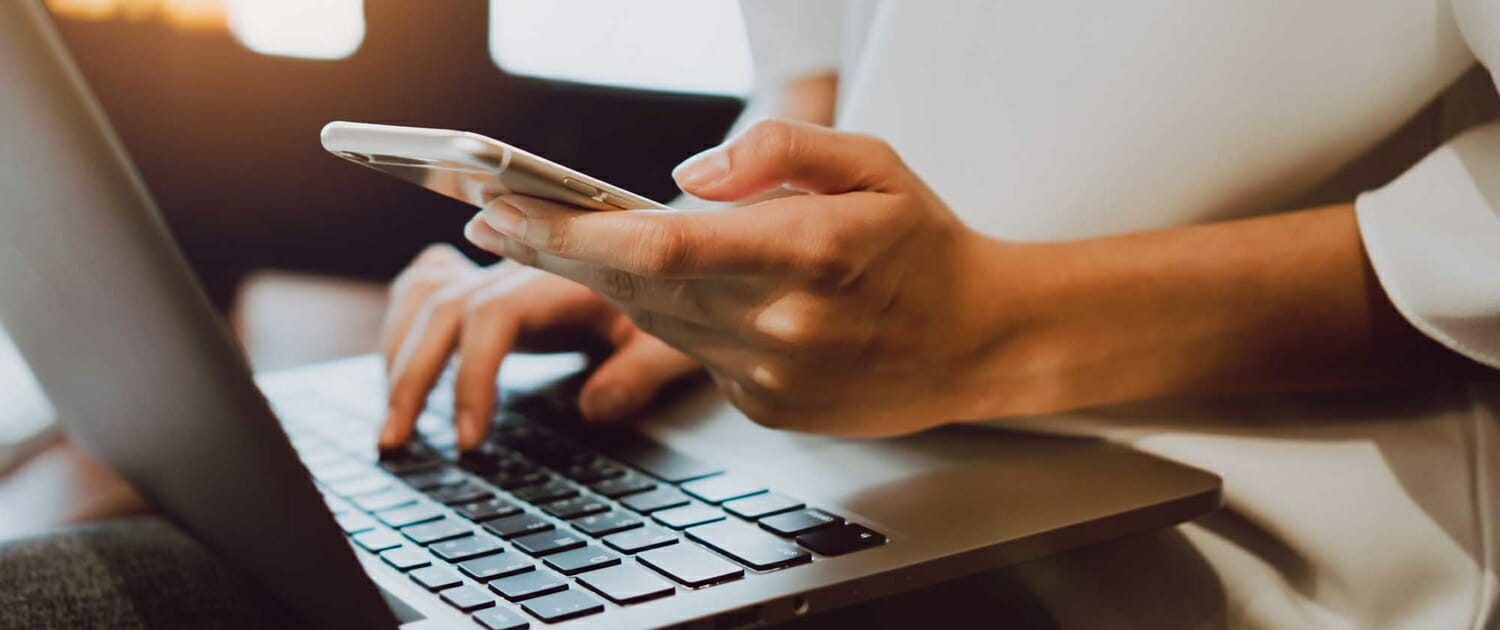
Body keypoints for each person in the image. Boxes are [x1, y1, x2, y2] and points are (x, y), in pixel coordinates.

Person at [379, 2, 1500, 628]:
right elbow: (817, 74)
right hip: (830, 481)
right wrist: (683, 275)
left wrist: (995, 332)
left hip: (1229, 559)